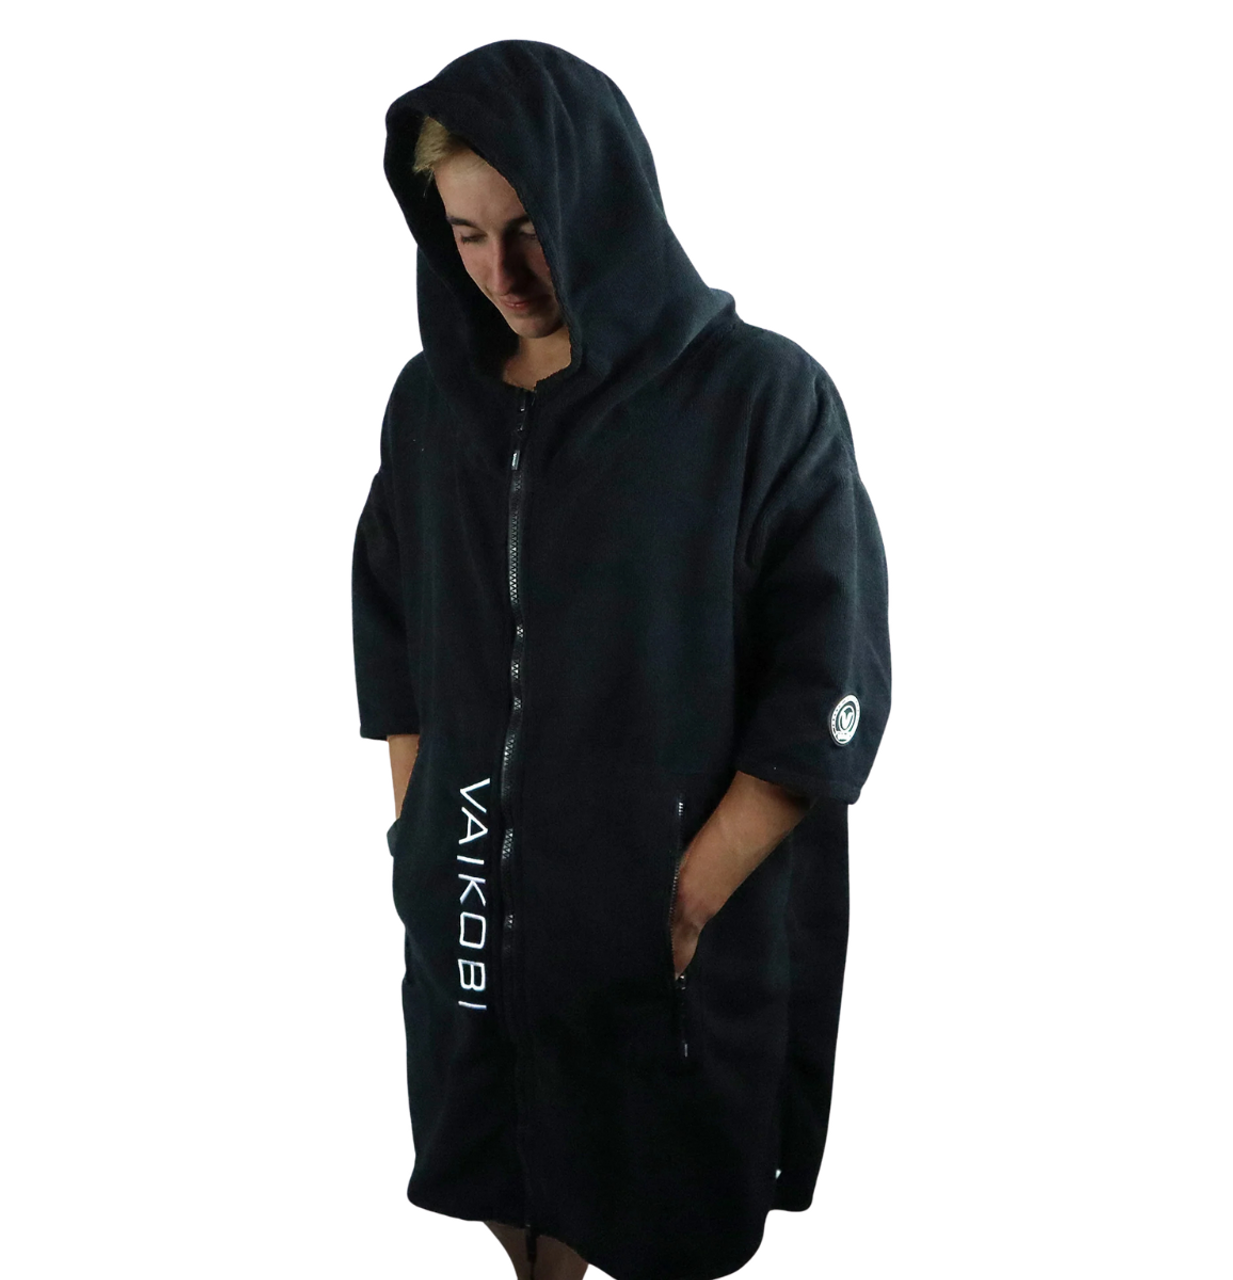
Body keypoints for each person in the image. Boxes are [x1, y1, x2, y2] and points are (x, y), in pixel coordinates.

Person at [353, 40, 891, 1280]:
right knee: (503, 1162)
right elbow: (391, 632)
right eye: (465, 234)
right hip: (477, 906)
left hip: (667, 925)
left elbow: (827, 679)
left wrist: (685, 898)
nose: (500, 272)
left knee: (663, 1189)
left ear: (601, 198)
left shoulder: (757, 398)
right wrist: (423, 841)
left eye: (527, 230)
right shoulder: (433, 407)